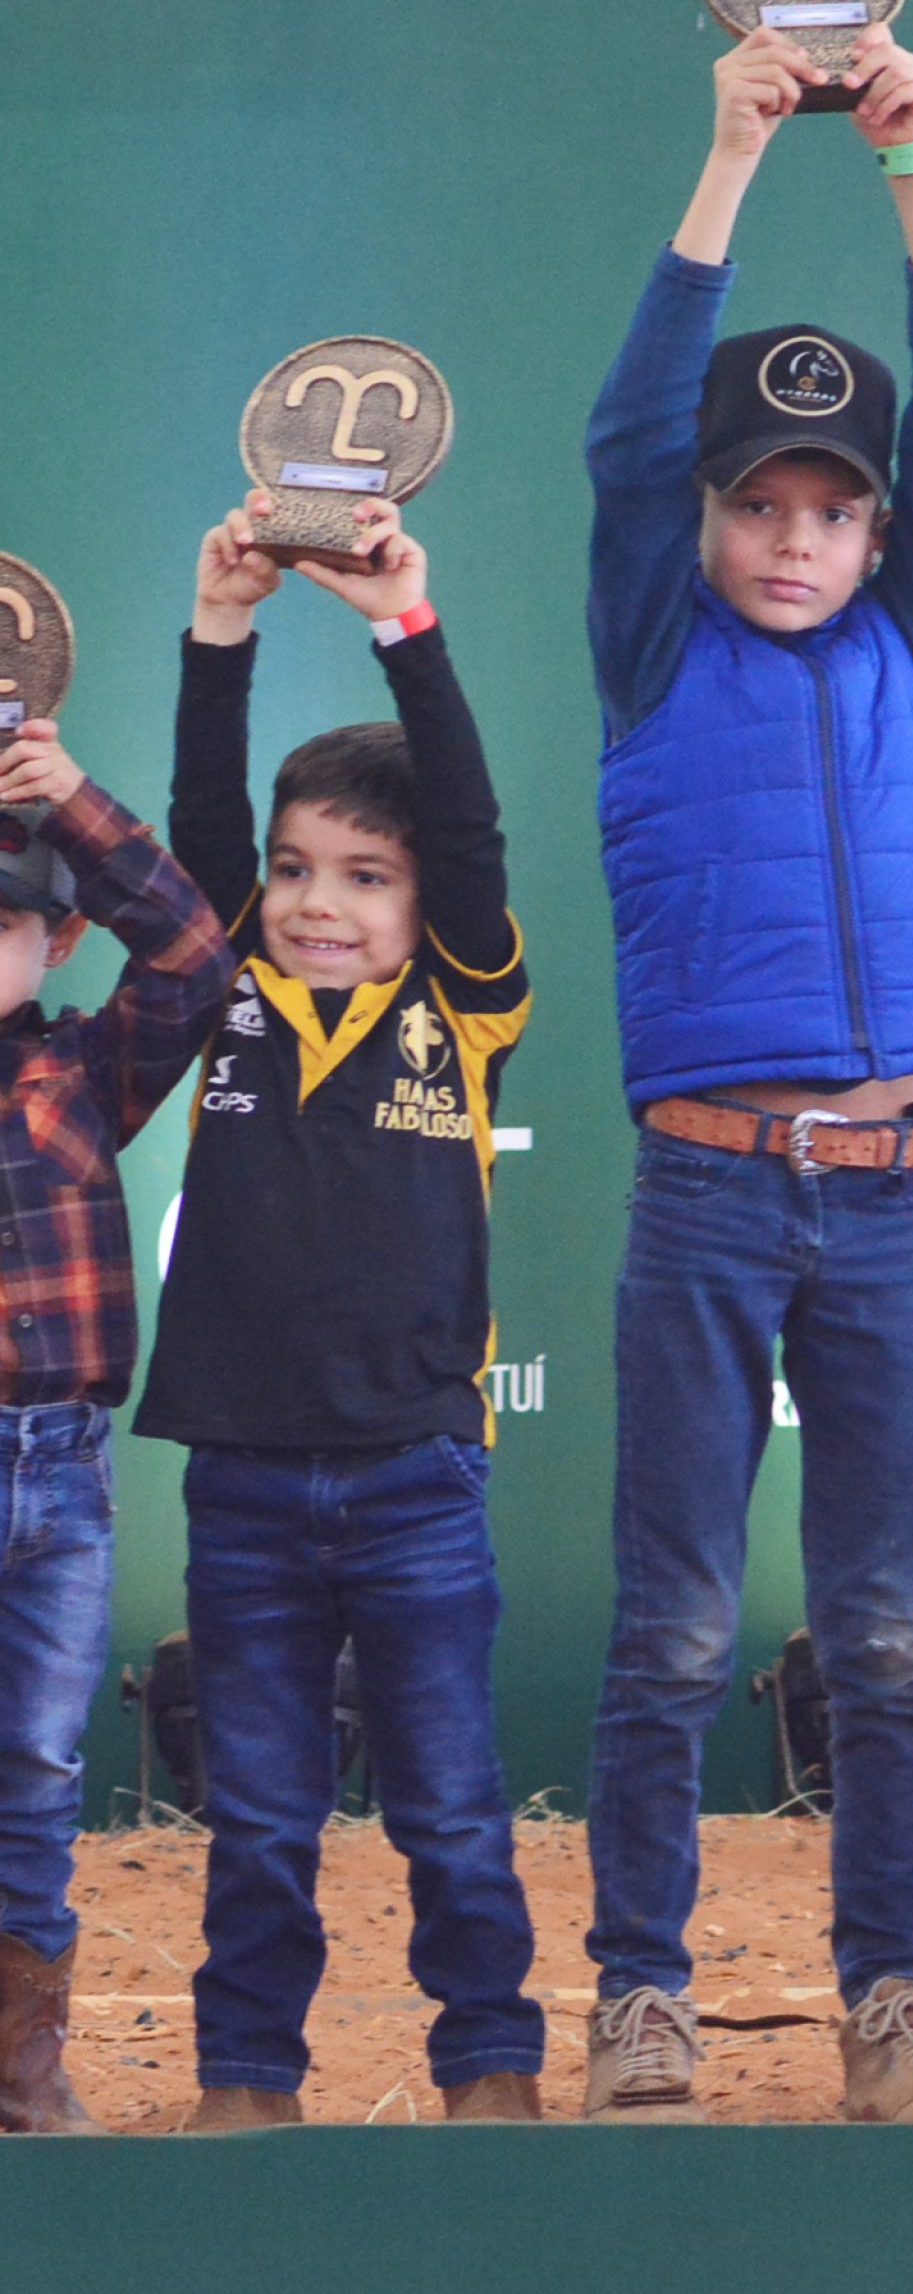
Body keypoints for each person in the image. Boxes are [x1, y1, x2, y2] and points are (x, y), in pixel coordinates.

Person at [580, 20, 913, 2124]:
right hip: (707, 1184)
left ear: (870, 537)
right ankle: (642, 1994)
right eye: (757, 500)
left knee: (879, 1624)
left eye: (828, 508)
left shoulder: (910, 634)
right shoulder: (649, 634)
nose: (793, 535)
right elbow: (627, 424)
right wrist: (736, 149)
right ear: (706, 519)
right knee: (670, 1622)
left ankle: (894, 1998)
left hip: (888, 1184)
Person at [136, 494, 543, 2129]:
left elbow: (473, 827)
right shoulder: (224, 987)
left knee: (448, 1808)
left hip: (415, 1482)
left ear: (422, 903)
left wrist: (407, 627)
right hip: (238, 1479)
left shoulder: (466, 1005)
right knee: (259, 1817)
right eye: (299, 872)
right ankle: (247, 2079)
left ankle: (491, 2069)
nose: (317, 902)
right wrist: (219, 624)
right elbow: (196, 824)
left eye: (365, 877)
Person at [0, 712, 232, 2132]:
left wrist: (68, 799)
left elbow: (199, 953)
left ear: (59, 940)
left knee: (34, 1767)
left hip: (62, 1478)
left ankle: (25, 2072)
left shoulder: (85, 1071)